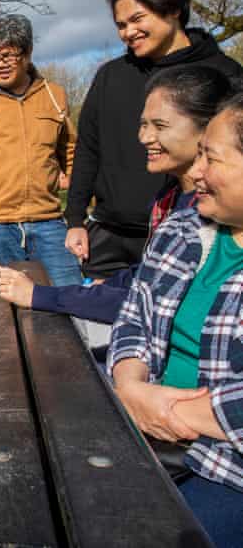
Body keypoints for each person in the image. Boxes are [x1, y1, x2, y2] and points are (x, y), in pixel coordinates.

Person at [0, 66, 236, 334]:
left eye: (160, 125)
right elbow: (147, 273)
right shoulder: (169, 197)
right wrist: (103, 287)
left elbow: (147, 301)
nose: (143, 137)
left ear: (207, 128)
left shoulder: (209, 212)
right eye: (143, 124)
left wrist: (40, 296)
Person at [106, 92, 243, 546]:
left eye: (212, 158)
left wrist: (164, 409)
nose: (196, 172)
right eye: (198, 153)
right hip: (149, 435)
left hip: (227, 469)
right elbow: (133, 319)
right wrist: (129, 387)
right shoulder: (182, 229)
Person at [64, 0, 243, 279]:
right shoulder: (110, 76)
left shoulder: (224, 75)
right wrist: (76, 219)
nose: (127, 32)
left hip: (193, 229)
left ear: (173, 8)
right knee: (96, 318)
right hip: (110, 237)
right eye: (120, 25)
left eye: (137, 19)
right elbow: (88, 149)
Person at [0, 14, 81, 287]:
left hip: (49, 222)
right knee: (3, 315)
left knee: (72, 300)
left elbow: (71, 152)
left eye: (8, 56)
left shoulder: (54, 95)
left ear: (28, 53)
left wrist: (80, 212)